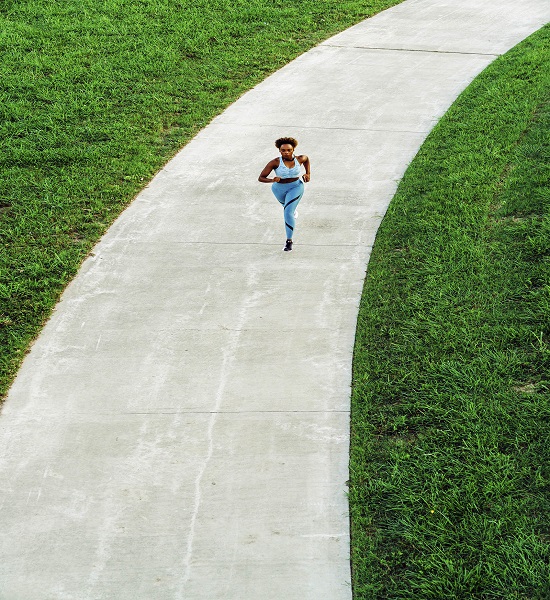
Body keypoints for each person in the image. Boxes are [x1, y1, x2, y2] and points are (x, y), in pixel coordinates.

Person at [258, 137, 310, 252]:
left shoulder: (300, 159)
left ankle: (289, 241)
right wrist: (272, 180)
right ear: (279, 151)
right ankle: (292, 210)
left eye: (288, 150)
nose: (286, 152)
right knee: (288, 208)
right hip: (278, 189)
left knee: (287, 212)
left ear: (293, 149)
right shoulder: (275, 162)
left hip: (296, 186)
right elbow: (261, 178)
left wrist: (308, 174)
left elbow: (306, 159)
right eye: (283, 150)